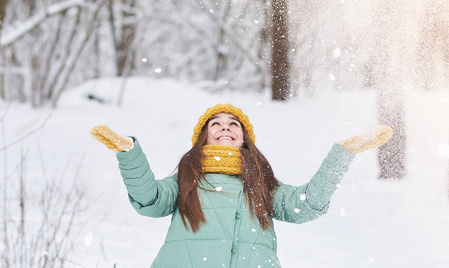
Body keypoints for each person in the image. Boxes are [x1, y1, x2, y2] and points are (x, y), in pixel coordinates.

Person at [91, 103, 392, 268]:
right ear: (204, 137)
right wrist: (129, 155)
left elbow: (306, 204)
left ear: (245, 138)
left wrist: (342, 155)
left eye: (234, 123)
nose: (225, 126)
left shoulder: (261, 184)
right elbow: (150, 200)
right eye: (216, 123)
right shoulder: (187, 178)